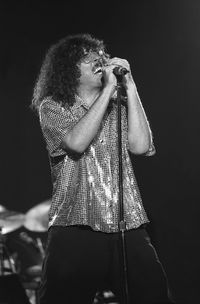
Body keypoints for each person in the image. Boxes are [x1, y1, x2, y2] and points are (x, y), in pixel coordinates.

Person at [31, 33, 174, 304]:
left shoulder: (118, 106)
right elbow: (75, 142)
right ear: (68, 69)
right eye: (89, 60)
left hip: (126, 221)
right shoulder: (52, 106)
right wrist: (108, 89)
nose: (100, 62)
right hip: (76, 223)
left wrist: (130, 87)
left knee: (154, 296)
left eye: (102, 58)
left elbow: (141, 146)